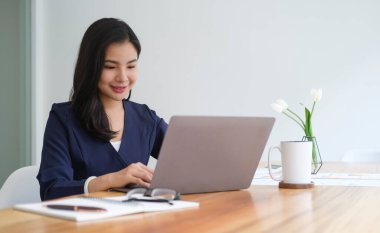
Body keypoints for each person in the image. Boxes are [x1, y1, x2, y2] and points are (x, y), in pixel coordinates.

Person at [37, 18, 168, 201]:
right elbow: (51, 190)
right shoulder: (63, 119)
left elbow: (189, 158)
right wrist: (111, 180)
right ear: (91, 67)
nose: (123, 77)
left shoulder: (146, 118)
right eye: (110, 67)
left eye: (131, 66)